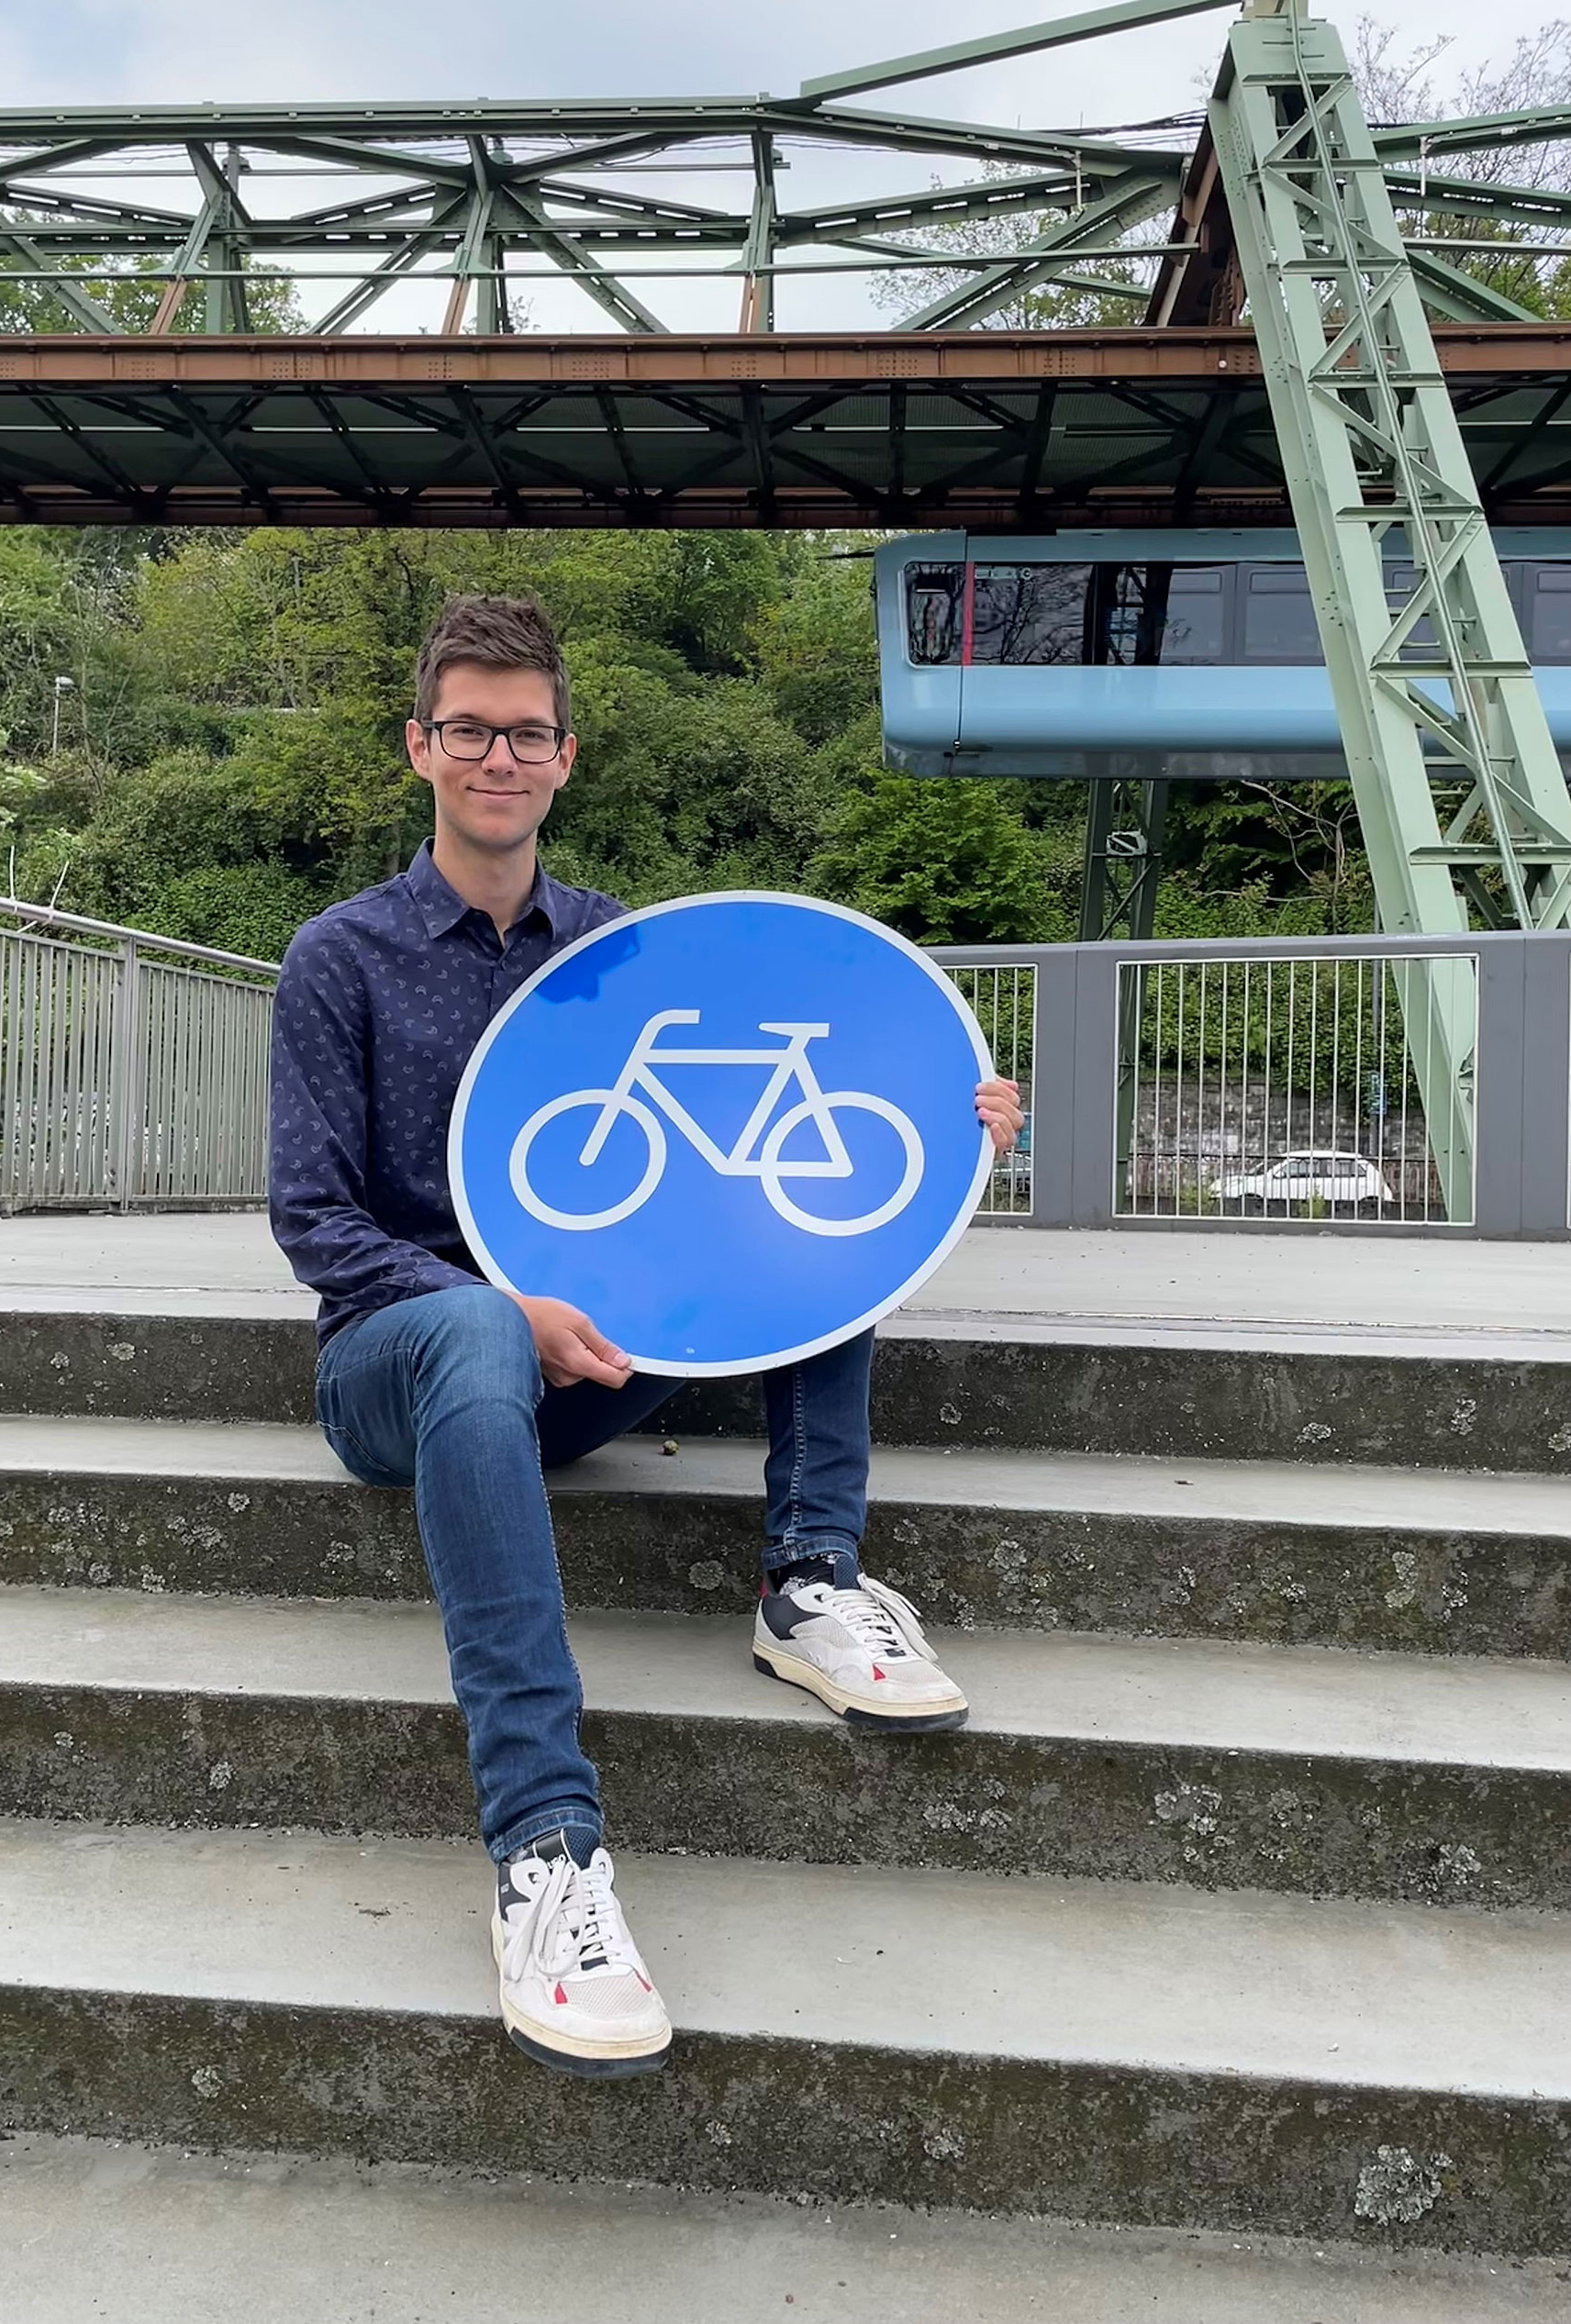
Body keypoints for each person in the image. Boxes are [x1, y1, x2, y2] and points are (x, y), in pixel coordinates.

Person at [269, 595, 1024, 2082]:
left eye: (526, 733)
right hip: (396, 1365)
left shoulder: (618, 949)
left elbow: (771, 1120)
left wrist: (946, 1119)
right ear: (420, 746)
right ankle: (545, 1847)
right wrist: (499, 1311)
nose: (499, 756)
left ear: (566, 754)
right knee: (471, 1321)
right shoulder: (338, 956)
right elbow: (313, 1219)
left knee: (808, 1230)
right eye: (470, 729)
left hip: (581, 1368)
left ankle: (809, 1578)